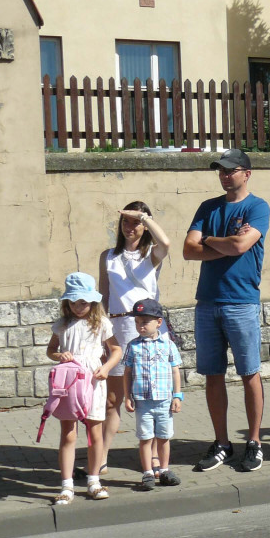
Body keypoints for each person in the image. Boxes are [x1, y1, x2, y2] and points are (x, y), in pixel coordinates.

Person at [183, 148, 270, 472]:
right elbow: (188, 250)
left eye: (230, 170)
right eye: (220, 170)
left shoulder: (257, 207)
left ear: (246, 173)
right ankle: (221, 443)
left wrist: (210, 240)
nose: (224, 175)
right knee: (213, 376)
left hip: (241, 303)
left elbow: (241, 246)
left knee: (250, 374)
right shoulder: (207, 207)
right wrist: (221, 240)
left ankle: (255, 442)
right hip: (207, 302)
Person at [97, 201, 171, 480]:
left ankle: (152, 455)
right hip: (118, 326)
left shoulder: (151, 254)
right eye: (126, 222)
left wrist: (144, 216)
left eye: (136, 222)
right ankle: (101, 455)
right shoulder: (108, 256)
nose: (130, 227)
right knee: (113, 398)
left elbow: (166, 241)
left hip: (148, 326)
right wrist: (102, 333)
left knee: (149, 396)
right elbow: (103, 296)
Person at [46, 273, 122, 504]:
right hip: (69, 381)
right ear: (67, 303)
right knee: (68, 433)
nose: (79, 307)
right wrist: (59, 355)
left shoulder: (101, 324)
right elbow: (51, 350)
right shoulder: (61, 325)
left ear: (92, 302)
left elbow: (116, 350)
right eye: (74, 302)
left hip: (93, 381)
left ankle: (94, 480)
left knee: (94, 432)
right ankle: (67, 485)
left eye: (84, 302)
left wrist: (106, 368)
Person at [122, 298, 183, 490]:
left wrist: (177, 395)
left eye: (145, 322)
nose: (140, 326)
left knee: (164, 437)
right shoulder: (133, 346)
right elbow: (127, 372)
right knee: (145, 438)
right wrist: (127, 396)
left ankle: (164, 470)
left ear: (158, 322)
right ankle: (148, 472)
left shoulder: (168, 345)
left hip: (164, 400)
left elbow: (175, 370)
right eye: (137, 322)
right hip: (143, 402)